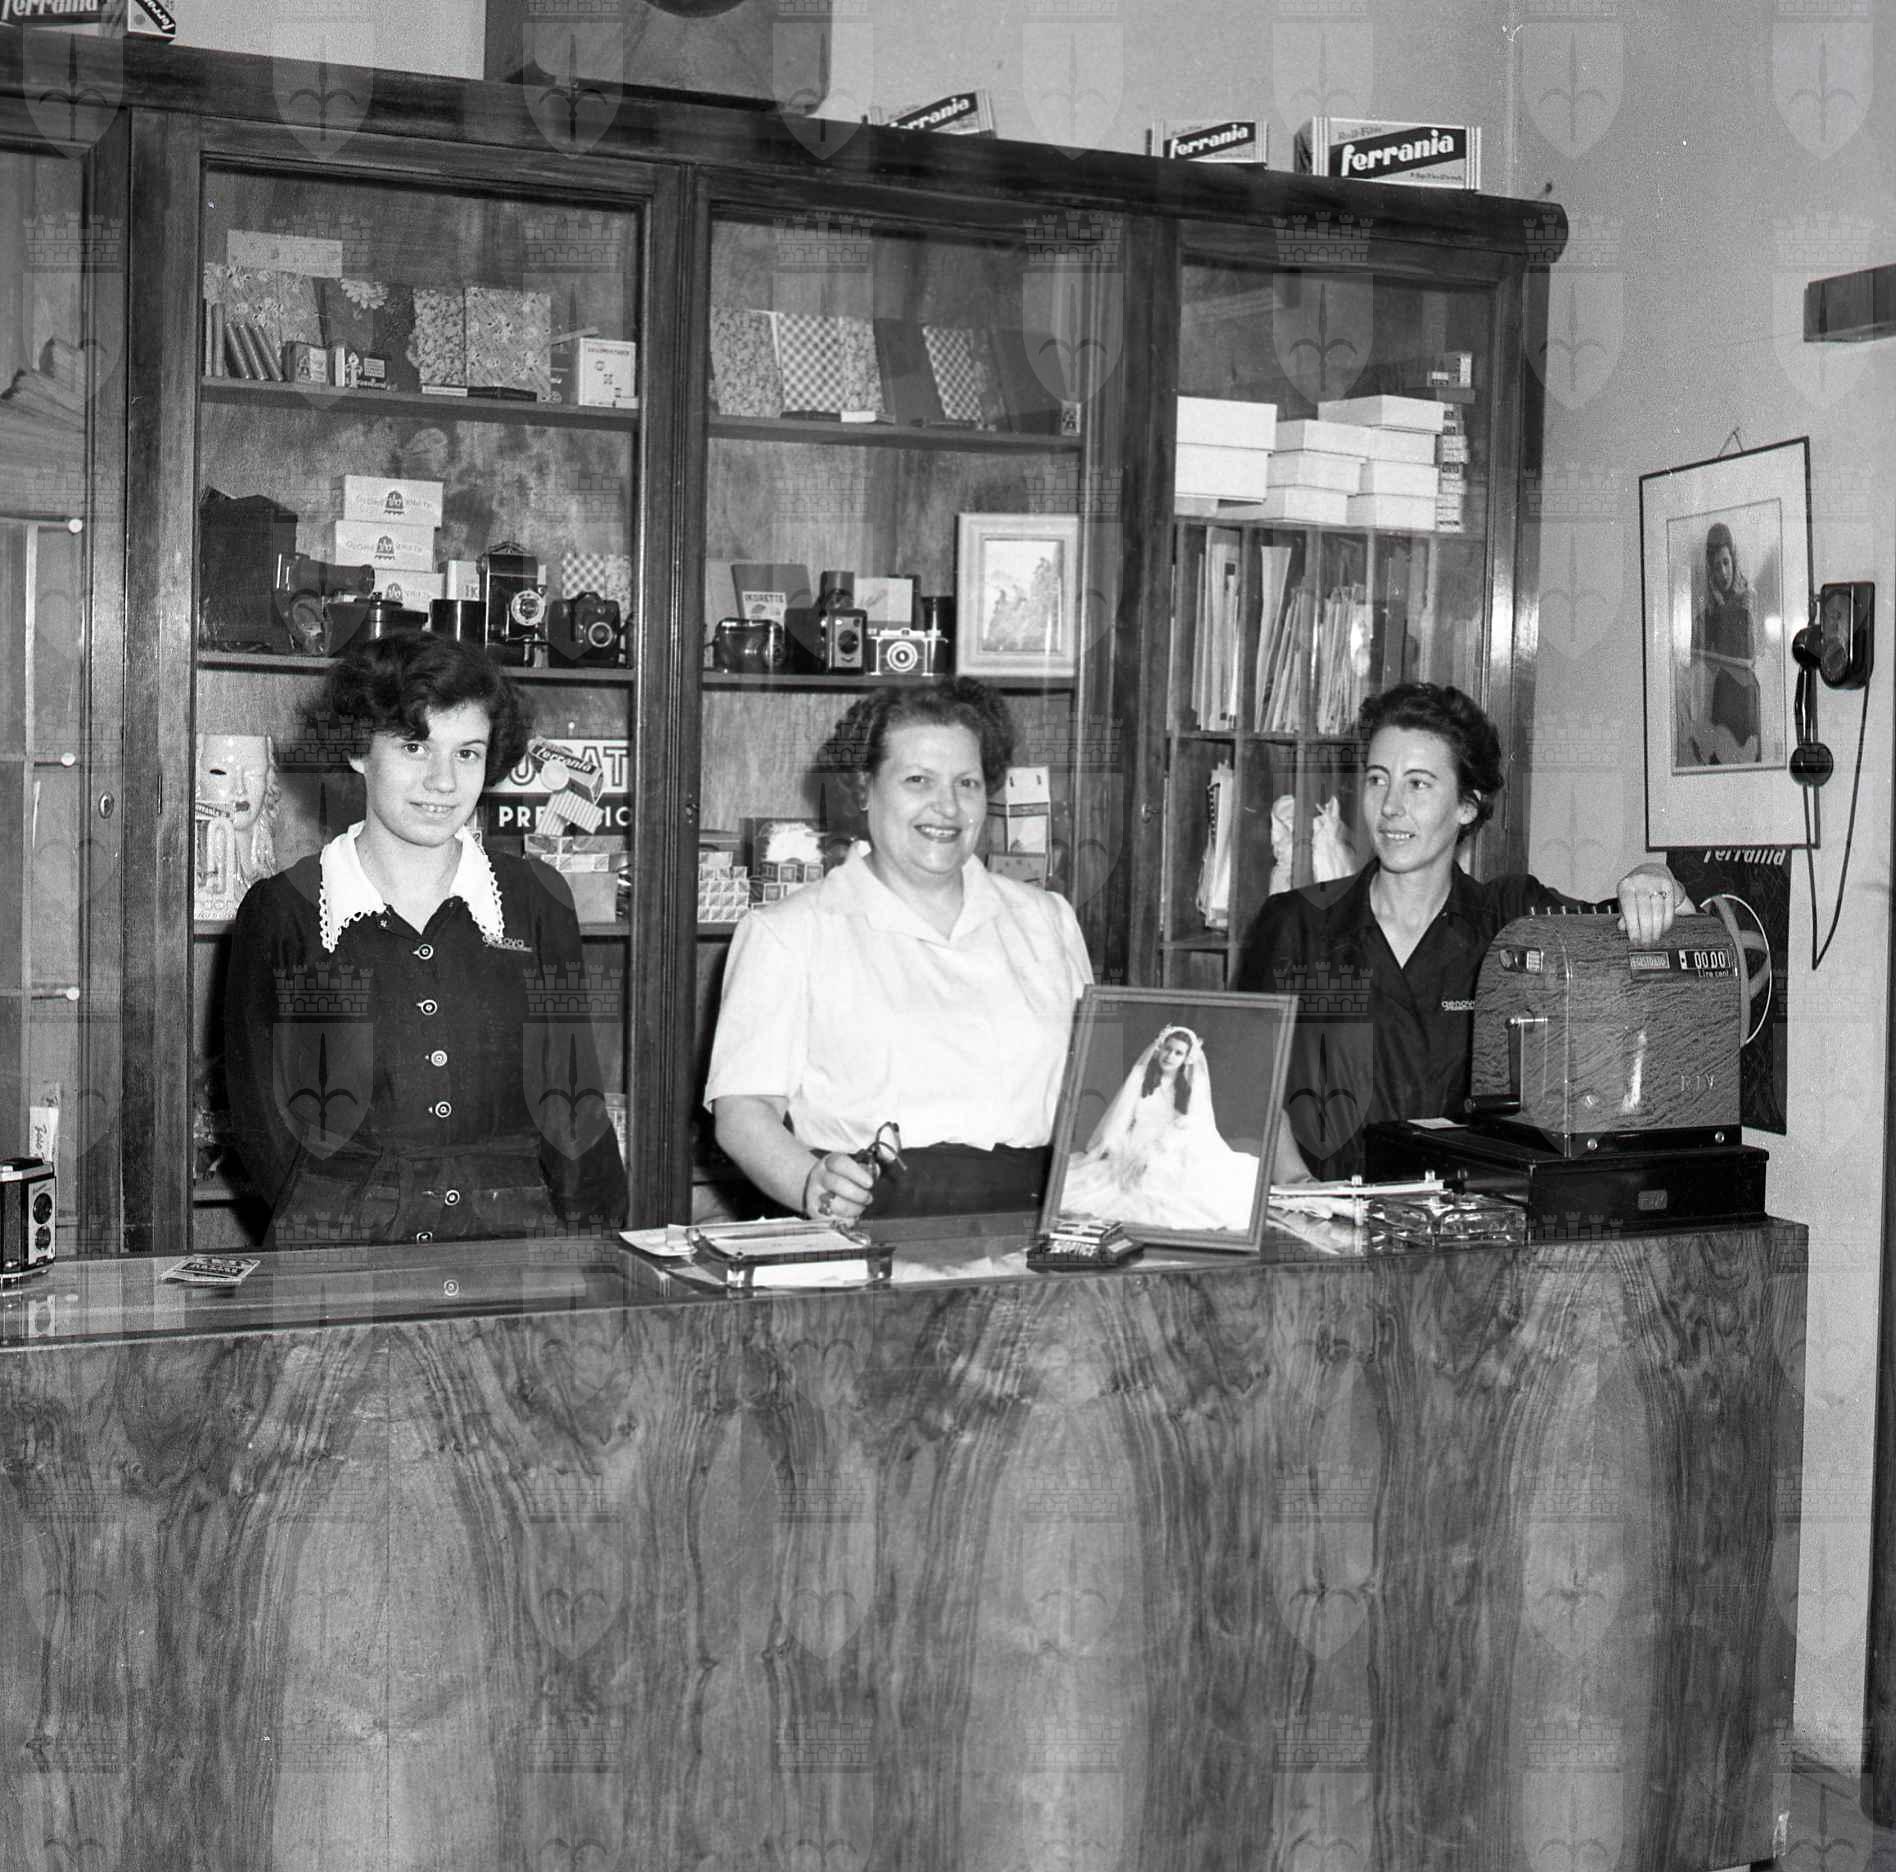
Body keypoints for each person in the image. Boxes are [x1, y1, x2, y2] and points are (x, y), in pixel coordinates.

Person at [223, 633, 626, 1246]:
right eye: (415, 746)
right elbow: (261, 1121)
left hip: (514, 1254)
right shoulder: (284, 911)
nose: (443, 781)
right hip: (345, 1258)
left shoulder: (536, 899)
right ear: (359, 750)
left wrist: (593, 1259)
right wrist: (332, 1233)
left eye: (467, 753)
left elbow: (574, 1105)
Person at [1235, 682, 1690, 1183]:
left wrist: (1656, 879)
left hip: (1471, 1221)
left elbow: (1654, 937)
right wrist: (1301, 1190)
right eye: (1378, 779)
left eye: (1418, 784)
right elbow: (1248, 1084)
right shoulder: (1294, 924)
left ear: (1467, 805)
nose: (1390, 806)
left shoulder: (1511, 919)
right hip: (1328, 1219)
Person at [706, 677, 1092, 1224]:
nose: (947, 806)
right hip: (874, 1224)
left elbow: (1095, 1094)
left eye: (967, 783)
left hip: (1040, 1222)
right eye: (918, 780)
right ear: (865, 788)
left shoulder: (1048, 920)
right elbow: (744, 1112)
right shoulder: (788, 933)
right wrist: (811, 1184)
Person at [1055, 1024, 1261, 1232]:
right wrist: (1113, 1146)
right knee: (1116, 1181)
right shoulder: (1140, 1077)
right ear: (1159, 1049)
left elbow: (1190, 1124)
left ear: (1186, 1058)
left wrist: (1158, 1149)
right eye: (1167, 1049)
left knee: (1171, 1179)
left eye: (1178, 1053)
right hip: (1138, 1139)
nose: (1170, 1056)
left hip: (1174, 1142)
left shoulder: (1192, 1083)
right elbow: (1122, 1116)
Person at [1679, 520, 1761, 767]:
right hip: (1721, 698)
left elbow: (1749, 652)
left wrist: (1723, 609)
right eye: (1716, 567)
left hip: (1745, 699)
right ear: (1710, 571)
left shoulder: (1747, 598)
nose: (1723, 572)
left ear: (1733, 560)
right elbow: (1698, 658)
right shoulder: (1709, 611)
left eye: (1726, 563)